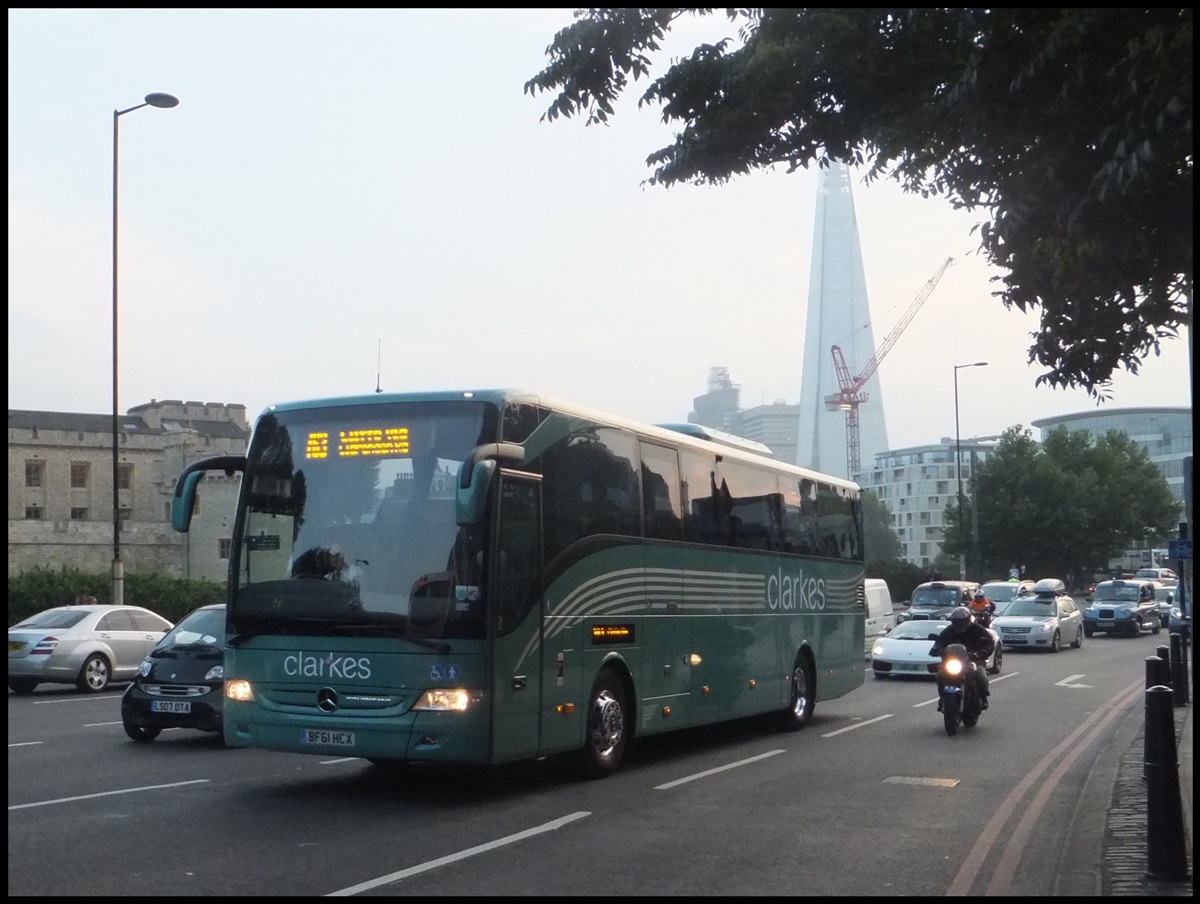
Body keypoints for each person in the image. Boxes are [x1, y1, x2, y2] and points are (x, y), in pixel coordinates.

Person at [930, 606, 995, 711]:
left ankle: (983, 698)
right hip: (953, 661)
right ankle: (943, 698)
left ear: (967, 620)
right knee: (940, 676)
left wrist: (983, 651)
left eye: (961, 621)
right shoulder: (948, 631)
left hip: (973, 660)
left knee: (980, 675)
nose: (959, 624)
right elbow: (940, 642)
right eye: (956, 621)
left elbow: (988, 642)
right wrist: (937, 649)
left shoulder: (977, 629)